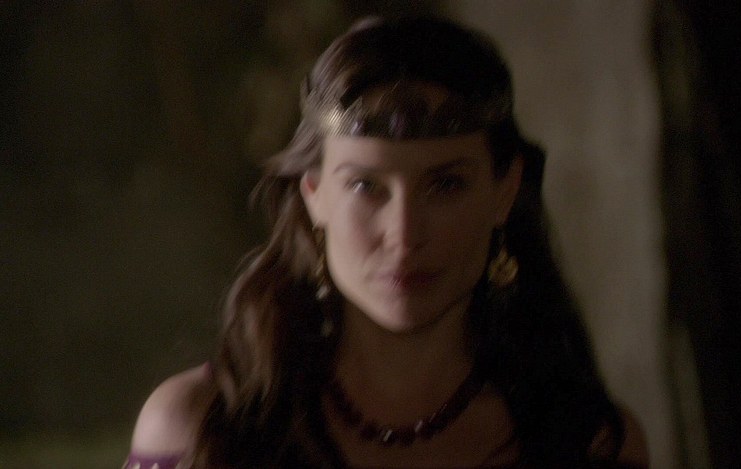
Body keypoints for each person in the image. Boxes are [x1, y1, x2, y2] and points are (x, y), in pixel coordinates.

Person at [126, 16, 648, 469]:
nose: (404, 234)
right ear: (314, 195)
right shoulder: (205, 430)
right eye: (365, 186)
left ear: (504, 192)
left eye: (446, 185)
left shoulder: (590, 445)